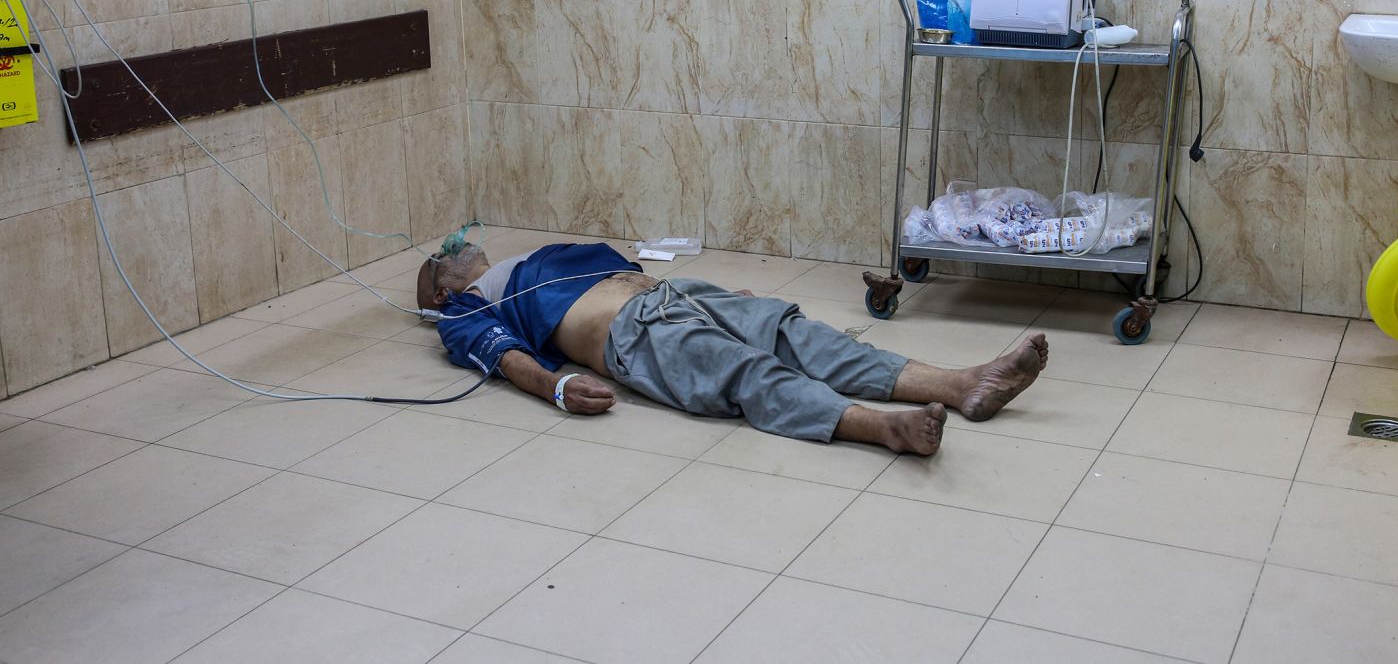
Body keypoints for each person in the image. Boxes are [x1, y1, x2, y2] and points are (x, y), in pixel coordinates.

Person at [416, 240, 1048, 455]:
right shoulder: (468, 309)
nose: (456, 249)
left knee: (799, 334)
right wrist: (554, 387)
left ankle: (963, 384)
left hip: (679, 295)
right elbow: (506, 358)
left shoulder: (541, 256)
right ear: (442, 291)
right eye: (441, 259)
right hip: (634, 336)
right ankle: (883, 429)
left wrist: (720, 296)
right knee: (747, 371)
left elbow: (631, 273)